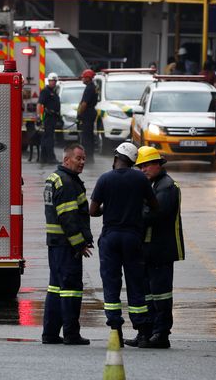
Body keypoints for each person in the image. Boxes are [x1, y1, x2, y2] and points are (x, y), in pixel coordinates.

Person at [89, 142, 158, 346]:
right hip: (132, 238)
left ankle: (115, 331)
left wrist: (107, 209)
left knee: (111, 284)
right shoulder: (139, 178)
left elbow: (92, 210)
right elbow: (155, 205)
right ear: (133, 161)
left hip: (110, 238)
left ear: (116, 158)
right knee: (136, 283)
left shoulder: (104, 179)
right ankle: (143, 333)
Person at [125, 146, 184, 349]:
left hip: (161, 249)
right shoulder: (152, 185)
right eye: (140, 166)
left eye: (147, 165)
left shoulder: (166, 186)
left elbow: (155, 214)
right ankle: (147, 333)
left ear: (158, 164)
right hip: (149, 249)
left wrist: (131, 213)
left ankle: (161, 334)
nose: (143, 169)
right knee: (147, 294)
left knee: (161, 294)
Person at [42, 143, 93, 345]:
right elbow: (68, 218)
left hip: (56, 245)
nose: (82, 162)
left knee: (56, 289)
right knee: (71, 289)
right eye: (78, 158)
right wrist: (80, 244)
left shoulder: (56, 178)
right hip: (66, 246)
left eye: (83, 159)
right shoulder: (67, 182)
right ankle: (71, 334)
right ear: (66, 160)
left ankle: (51, 333)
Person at [38, 73, 61, 164]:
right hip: (48, 118)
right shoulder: (45, 91)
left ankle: (43, 158)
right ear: (49, 81)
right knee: (49, 139)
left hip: (53, 117)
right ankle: (51, 158)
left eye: (55, 81)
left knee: (46, 138)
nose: (53, 83)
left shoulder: (53, 92)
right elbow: (40, 104)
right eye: (52, 81)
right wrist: (39, 118)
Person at [77, 69, 98, 164]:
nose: (82, 79)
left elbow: (84, 104)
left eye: (84, 77)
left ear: (88, 78)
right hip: (90, 114)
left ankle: (88, 158)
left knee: (86, 138)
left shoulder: (89, 88)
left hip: (87, 115)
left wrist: (79, 115)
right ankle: (90, 158)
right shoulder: (92, 87)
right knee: (89, 137)